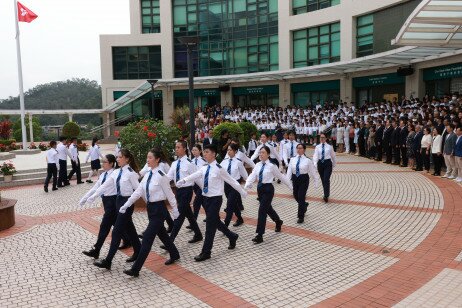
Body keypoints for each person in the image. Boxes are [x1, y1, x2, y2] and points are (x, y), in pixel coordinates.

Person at [118, 148, 181, 277]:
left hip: (159, 210)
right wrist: (126, 204)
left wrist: (175, 211)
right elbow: (138, 192)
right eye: (147, 157)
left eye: (150, 158)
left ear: (157, 159)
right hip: (151, 209)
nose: (148, 160)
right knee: (163, 234)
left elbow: (170, 195)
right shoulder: (147, 174)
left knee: (147, 239)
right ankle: (174, 253)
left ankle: (135, 269)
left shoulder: (161, 176)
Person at [179, 144, 246, 262]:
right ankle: (232, 236)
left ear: (214, 154)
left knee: (210, 226)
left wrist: (243, 192)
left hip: (216, 199)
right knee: (215, 221)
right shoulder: (205, 167)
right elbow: (196, 174)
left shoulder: (219, 168)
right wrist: (184, 180)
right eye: (204, 152)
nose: (204, 154)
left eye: (207, 152)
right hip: (206, 199)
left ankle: (206, 252)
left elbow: (232, 181)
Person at [85, 149, 141, 270]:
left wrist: (129, 203)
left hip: (127, 203)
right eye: (117, 157)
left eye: (120, 157)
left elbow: (138, 190)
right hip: (118, 201)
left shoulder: (131, 173)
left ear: (127, 159)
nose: (117, 159)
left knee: (116, 232)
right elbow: (104, 186)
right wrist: (93, 196)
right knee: (130, 228)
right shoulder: (116, 173)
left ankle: (108, 261)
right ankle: (138, 250)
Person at [80, 154, 130, 259]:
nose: (103, 164)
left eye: (105, 162)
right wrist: (84, 198)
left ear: (111, 163)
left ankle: (96, 250)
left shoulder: (114, 174)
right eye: (102, 162)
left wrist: (93, 197)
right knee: (117, 224)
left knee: (104, 226)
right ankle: (128, 239)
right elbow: (95, 187)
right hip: (106, 202)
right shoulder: (103, 175)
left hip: (113, 202)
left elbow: (102, 188)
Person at [244, 146, 292, 244]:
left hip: (268, 189)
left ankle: (259, 235)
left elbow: (281, 176)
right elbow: (253, 175)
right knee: (267, 209)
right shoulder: (257, 165)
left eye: (263, 153)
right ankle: (278, 221)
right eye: (260, 152)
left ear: (268, 155)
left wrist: (290, 186)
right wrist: (247, 184)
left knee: (262, 211)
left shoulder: (272, 166)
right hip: (260, 189)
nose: (261, 154)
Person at [166, 141, 203, 244]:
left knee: (179, 215)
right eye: (176, 147)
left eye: (178, 147)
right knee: (189, 214)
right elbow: (168, 177)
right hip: (178, 192)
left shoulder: (189, 163)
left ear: (184, 149)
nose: (176, 149)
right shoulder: (174, 163)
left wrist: (204, 189)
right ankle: (198, 234)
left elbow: (196, 178)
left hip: (187, 191)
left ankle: (170, 240)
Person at [286, 143, 319, 224]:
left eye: (300, 148)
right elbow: (289, 170)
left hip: (303, 179)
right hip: (295, 178)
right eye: (297, 148)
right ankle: (304, 205)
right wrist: (287, 181)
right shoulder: (292, 159)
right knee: (295, 195)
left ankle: (301, 216)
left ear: (304, 150)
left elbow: (313, 172)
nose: (298, 150)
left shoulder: (308, 160)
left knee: (301, 196)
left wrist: (316, 182)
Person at [220, 143, 248, 227]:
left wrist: (248, 184)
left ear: (235, 151)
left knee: (229, 205)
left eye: (230, 150)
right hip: (227, 186)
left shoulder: (238, 162)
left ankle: (226, 224)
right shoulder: (224, 161)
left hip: (235, 186)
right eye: (228, 150)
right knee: (233, 204)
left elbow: (245, 175)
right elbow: (218, 170)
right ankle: (240, 219)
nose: (228, 151)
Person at [313, 133, 336, 203]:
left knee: (326, 179)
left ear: (326, 138)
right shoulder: (317, 147)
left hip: (328, 163)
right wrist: (315, 164)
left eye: (323, 137)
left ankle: (326, 195)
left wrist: (334, 164)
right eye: (321, 137)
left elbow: (333, 156)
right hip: (320, 164)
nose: (322, 139)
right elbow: (315, 156)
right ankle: (326, 192)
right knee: (323, 180)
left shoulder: (329, 147)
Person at [191, 144, 207, 220]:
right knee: (203, 202)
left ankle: (193, 220)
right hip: (195, 184)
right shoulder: (191, 161)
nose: (194, 152)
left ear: (200, 151)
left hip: (202, 184)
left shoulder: (204, 161)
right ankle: (211, 215)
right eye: (193, 150)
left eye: (195, 150)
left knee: (196, 202)